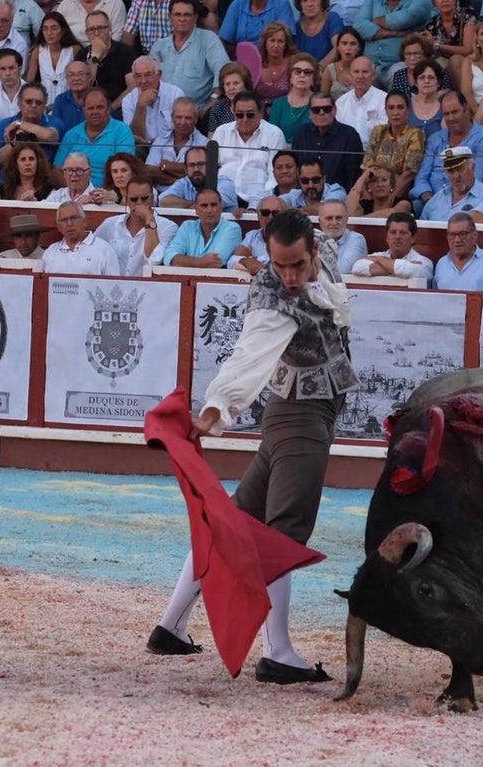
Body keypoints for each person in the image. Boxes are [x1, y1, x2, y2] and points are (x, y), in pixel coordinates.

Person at [148, 209, 356, 688]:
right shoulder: (270, 296)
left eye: (297, 265)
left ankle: (171, 626)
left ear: (313, 249)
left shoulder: (324, 246)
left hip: (296, 418)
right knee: (283, 534)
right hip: (301, 418)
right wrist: (215, 409)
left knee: (237, 525)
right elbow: (248, 357)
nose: (289, 276)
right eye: (279, 265)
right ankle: (277, 651)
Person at [411, 89, 483, 209]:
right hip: (432, 201)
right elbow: (421, 178)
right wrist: (430, 200)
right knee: (415, 205)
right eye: (446, 114)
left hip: (466, 202)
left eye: (455, 112)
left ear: (466, 109)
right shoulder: (435, 139)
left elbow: (478, 180)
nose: (450, 118)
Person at [212, 91, 289, 208]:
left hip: (259, 201)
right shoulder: (221, 131)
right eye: (240, 115)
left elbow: (274, 177)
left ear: (261, 113)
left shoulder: (274, 134)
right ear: (233, 111)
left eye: (250, 115)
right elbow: (211, 170)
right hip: (223, 199)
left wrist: (257, 204)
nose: (245, 119)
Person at [95, 174, 179, 274]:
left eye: (144, 198)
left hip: (146, 283)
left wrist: (149, 219)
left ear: (152, 198)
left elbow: (154, 260)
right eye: (134, 199)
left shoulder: (168, 227)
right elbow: (93, 251)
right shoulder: (110, 224)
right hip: (113, 282)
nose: (139, 203)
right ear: (127, 200)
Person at [150, 0, 229, 106]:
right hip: (161, 108)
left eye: (187, 15)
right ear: (170, 17)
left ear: (195, 17)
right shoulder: (159, 46)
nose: (182, 19)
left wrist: (213, 100)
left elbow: (223, 71)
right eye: (177, 14)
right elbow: (150, 76)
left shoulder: (208, 40)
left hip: (196, 110)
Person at [290, 91, 362, 191]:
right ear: (310, 113)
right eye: (316, 110)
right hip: (305, 193)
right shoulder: (301, 133)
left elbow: (353, 176)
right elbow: (296, 169)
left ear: (335, 111)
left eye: (326, 109)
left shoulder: (350, 135)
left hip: (338, 193)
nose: (321, 113)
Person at [0, 81, 61, 177]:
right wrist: (17, 141)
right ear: (19, 103)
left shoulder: (54, 122)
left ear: (44, 106)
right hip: (8, 182)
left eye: (38, 103)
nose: (34, 105)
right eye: (29, 101)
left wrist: (19, 124)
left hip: (43, 182)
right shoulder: (5, 124)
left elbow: (49, 136)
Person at [363, 90, 424, 198]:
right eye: (391, 108)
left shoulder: (415, 134)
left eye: (400, 107)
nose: (395, 113)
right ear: (386, 111)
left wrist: (389, 200)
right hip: (373, 191)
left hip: (399, 194)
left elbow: (408, 174)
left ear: (408, 110)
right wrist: (370, 196)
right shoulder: (378, 131)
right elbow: (367, 166)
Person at [163, 187, 244, 268]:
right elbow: (169, 257)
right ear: (196, 209)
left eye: (213, 205)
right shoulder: (187, 226)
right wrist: (199, 262)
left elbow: (216, 262)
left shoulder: (232, 228)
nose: (209, 210)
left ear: (221, 207)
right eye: (204, 206)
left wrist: (184, 261)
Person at [349, 211, 433, 284]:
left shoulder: (424, 262)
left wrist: (378, 260)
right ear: (387, 237)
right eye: (393, 232)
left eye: (403, 233)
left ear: (413, 238)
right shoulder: (378, 255)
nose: (397, 237)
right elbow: (357, 267)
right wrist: (399, 269)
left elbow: (411, 270)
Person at [431, 212, 483, 292]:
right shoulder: (441, 264)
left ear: (474, 235)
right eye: (452, 234)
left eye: (462, 234)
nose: (457, 240)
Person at [420, 146, 483, 220]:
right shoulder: (437, 199)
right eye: (450, 171)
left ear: (473, 168)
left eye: (460, 169)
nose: (456, 176)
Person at [352, 0, 430, 75]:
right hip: (371, 65)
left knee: (400, 70)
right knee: (361, 71)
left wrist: (377, 22)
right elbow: (358, 24)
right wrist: (393, 33)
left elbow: (405, 19)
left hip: (400, 64)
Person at [74, 10, 136, 104]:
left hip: (119, 105)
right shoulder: (81, 55)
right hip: (91, 106)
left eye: (100, 28)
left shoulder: (125, 51)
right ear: (86, 33)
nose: (96, 33)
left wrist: (112, 108)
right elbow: (83, 89)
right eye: (92, 29)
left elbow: (132, 87)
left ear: (109, 29)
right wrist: (95, 57)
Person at [44, 200, 122, 274]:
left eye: (73, 218)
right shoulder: (51, 252)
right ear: (59, 227)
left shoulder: (104, 250)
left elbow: (113, 282)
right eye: (64, 220)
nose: (69, 223)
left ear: (84, 221)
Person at [145, 97, 208, 190]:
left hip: (190, 194)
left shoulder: (203, 142)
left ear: (196, 119)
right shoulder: (160, 140)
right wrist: (181, 181)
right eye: (179, 117)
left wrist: (165, 166)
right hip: (159, 195)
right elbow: (150, 171)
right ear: (172, 117)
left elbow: (198, 172)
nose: (182, 122)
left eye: (188, 118)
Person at [123, 56, 183, 144]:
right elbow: (134, 137)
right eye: (138, 76)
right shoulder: (128, 100)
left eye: (148, 75)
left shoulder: (175, 94)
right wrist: (140, 106)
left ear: (159, 75)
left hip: (169, 146)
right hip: (141, 147)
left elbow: (182, 131)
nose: (143, 81)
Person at [158, 145, 238, 211]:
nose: (196, 169)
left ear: (211, 165)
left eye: (201, 164)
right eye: (192, 165)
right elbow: (163, 202)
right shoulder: (184, 183)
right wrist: (196, 204)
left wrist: (187, 205)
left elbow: (212, 204)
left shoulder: (225, 184)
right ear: (186, 169)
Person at [26, 11, 80, 106]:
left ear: (63, 30)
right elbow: (30, 82)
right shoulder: (37, 51)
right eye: (45, 29)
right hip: (44, 105)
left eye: (54, 28)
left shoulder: (74, 50)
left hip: (69, 103)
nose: (49, 33)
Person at [420, 0, 476, 86]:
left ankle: (464, 93)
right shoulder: (432, 23)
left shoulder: (467, 16)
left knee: (455, 60)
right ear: (434, 3)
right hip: (441, 61)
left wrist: (436, 45)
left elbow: (468, 50)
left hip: (467, 61)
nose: (444, 1)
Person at [334, 56, 386, 144]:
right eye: (356, 72)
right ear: (350, 75)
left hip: (375, 150)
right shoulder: (341, 103)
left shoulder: (384, 100)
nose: (360, 76)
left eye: (365, 72)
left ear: (373, 75)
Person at [268, 52, 317, 143]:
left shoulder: (320, 103)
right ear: (290, 78)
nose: (302, 75)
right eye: (297, 71)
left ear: (313, 79)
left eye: (307, 72)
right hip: (282, 149)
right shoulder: (279, 103)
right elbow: (272, 135)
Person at [218, 0, 297, 56]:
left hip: (272, 58)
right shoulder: (237, 4)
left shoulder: (282, 4)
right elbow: (224, 41)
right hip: (241, 58)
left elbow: (287, 40)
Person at [231, 196, 286, 274]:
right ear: (258, 216)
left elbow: (282, 263)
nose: (270, 217)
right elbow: (231, 261)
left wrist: (255, 259)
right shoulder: (252, 235)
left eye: (276, 213)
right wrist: (244, 260)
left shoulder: (293, 237)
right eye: (265, 212)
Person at [278, 156, 347, 214]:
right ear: (299, 180)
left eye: (315, 180)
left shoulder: (336, 191)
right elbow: (275, 204)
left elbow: (327, 208)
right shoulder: (295, 195)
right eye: (305, 181)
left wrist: (298, 211)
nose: (310, 185)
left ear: (324, 178)